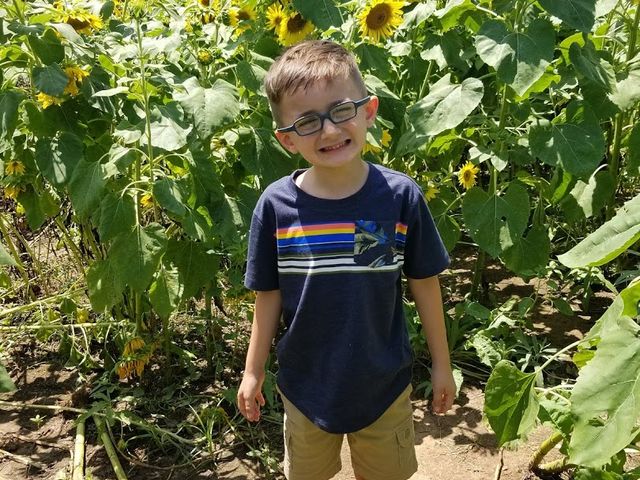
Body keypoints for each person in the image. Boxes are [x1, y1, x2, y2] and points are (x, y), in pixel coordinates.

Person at [237, 39, 456, 480]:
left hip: (383, 385)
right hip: (306, 387)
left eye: (341, 110)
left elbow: (424, 282)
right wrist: (252, 370)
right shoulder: (276, 207)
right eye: (307, 121)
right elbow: (268, 294)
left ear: (368, 110)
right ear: (286, 139)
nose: (329, 131)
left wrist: (442, 365)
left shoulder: (397, 197)